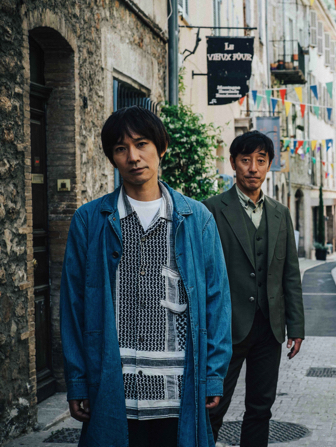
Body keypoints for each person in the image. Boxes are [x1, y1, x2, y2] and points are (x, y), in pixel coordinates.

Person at [60, 106, 232, 447]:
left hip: (179, 387)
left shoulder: (196, 219)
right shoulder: (90, 220)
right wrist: (77, 382)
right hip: (113, 387)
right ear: (112, 157)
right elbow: (73, 306)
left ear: (161, 147)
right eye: (121, 148)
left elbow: (217, 302)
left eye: (141, 144)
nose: (133, 157)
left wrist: (213, 376)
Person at [203, 131, 305, 447]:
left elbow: (290, 273)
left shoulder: (280, 213)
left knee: (261, 408)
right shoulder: (211, 210)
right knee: (211, 407)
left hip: (269, 328)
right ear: (233, 163)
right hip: (225, 328)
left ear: (269, 165)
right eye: (245, 160)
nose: (253, 168)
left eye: (261, 161)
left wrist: (296, 326)